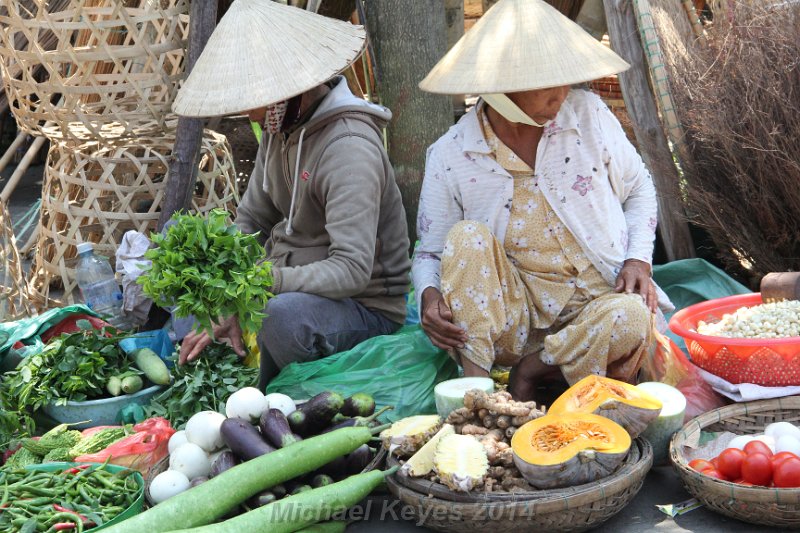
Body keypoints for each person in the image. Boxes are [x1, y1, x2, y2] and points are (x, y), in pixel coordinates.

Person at [412, 0, 674, 401]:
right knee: (466, 238)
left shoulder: (589, 117)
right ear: (500, 87)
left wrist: (638, 258)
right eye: (546, 83)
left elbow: (640, 189)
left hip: (598, 309)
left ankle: (535, 369)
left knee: (633, 316)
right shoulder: (452, 154)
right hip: (515, 319)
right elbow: (430, 252)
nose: (562, 93)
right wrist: (429, 296)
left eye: (565, 79)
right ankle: (478, 393)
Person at [172, 0, 411, 390]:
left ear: (292, 91)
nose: (250, 114)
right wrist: (225, 289)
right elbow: (253, 218)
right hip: (282, 280)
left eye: (255, 99)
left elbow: (350, 271)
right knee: (191, 286)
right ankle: (223, 363)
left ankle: (255, 382)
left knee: (281, 318)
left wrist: (261, 286)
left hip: (360, 307)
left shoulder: (349, 148)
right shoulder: (281, 125)